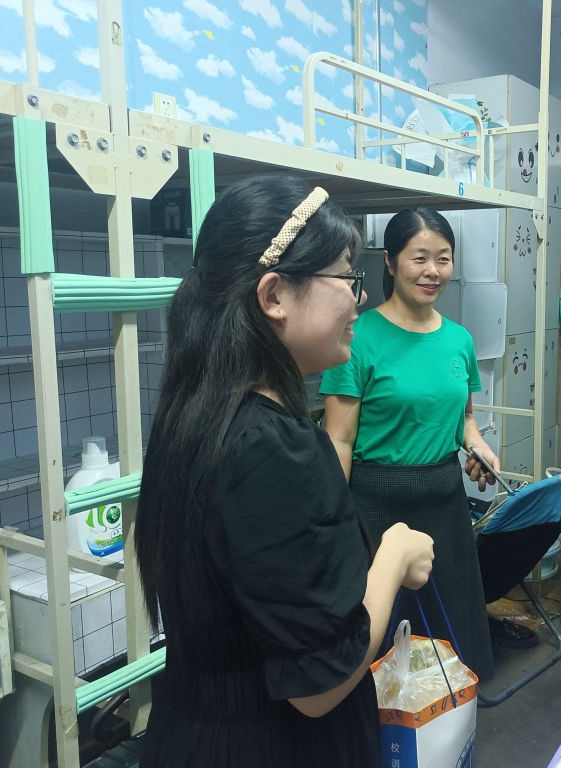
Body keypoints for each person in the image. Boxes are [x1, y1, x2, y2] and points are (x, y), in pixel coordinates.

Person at [134, 177, 435, 767]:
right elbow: (319, 685)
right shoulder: (272, 446)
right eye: (346, 277)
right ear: (274, 295)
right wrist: (394, 558)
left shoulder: (196, 416)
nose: (359, 300)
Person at [321, 207, 498, 681]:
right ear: (390, 261)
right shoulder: (357, 337)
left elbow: (465, 418)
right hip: (375, 504)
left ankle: (449, 716)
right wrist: (334, 520)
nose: (432, 271)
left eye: (443, 258)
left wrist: (478, 446)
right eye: (419, 258)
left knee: (452, 631)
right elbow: (339, 438)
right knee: (378, 635)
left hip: (444, 500)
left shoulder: (459, 340)